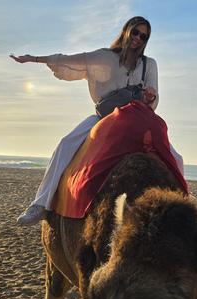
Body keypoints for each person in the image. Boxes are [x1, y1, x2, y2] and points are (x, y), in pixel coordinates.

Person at [10, 16, 185, 226]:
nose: (138, 38)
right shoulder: (104, 57)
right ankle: (41, 204)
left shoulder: (149, 64)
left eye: (144, 35)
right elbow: (71, 60)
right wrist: (34, 59)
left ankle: (181, 213)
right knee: (66, 144)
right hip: (105, 118)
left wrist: (151, 97)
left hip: (137, 121)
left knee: (177, 158)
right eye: (135, 32)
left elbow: (154, 102)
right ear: (126, 31)